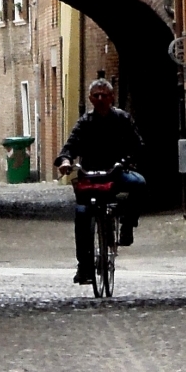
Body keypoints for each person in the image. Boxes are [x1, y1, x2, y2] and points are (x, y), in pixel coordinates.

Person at [56, 76, 146, 283]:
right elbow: (70, 146)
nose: (99, 99)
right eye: (95, 95)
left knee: (139, 184)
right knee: (81, 215)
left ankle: (127, 225)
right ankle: (84, 267)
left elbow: (138, 145)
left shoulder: (122, 119)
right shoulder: (85, 123)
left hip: (116, 173)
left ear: (111, 97)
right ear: (90, 98)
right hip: (90, 178)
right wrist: (66, 161)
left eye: (103, 95)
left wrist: (126, 161)